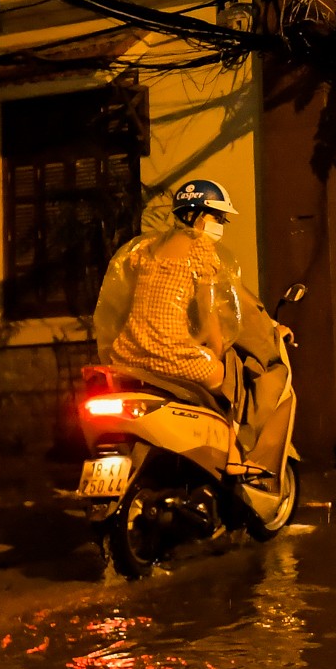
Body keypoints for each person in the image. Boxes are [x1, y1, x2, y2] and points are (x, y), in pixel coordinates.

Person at [93, 180, 295, 496]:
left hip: (128, 351)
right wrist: (215, 347)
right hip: (171, 354)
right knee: (231, 384)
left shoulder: (145, 249)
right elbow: (211, 313)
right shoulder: (201, 250)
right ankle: (235, 457)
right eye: (219, 218)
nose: (221, 226)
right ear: (200, 217)